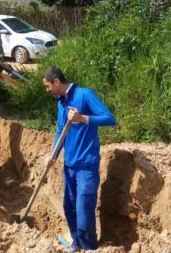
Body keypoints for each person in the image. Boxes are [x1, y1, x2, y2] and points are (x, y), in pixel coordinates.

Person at [42, 66, 117, 252]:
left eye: (47, 86)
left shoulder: (84, 95)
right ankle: (76, 243)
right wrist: (53, 154)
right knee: (69, 208)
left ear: (57, 82)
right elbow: (61, 131)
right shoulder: (61, 103)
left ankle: (90, 247)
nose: (47, 90)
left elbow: (110, 119)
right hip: (69, 167)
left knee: (83, 211)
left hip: (86, 166)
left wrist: (83, 118)